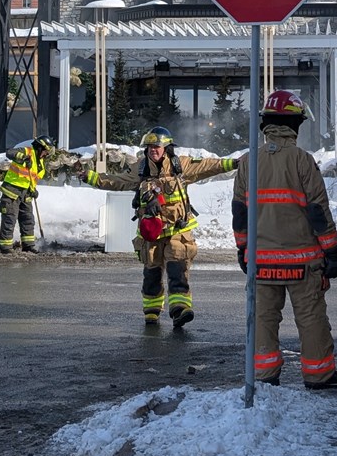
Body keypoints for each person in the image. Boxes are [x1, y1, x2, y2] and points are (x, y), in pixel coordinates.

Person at [233, 90, 337, 389]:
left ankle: (264, 375)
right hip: (302, 262)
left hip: (262, 261)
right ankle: (319, 375)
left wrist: (243, 248)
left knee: (262, 320)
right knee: (311, 320)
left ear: (266, 123)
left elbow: (239, 213)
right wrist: (332, 251)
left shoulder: (247, 162)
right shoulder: (302, 161)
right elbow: (318, 212)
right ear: (294, 124)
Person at [85, 126, 236, 326]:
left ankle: (180, 310)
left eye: (156, 146)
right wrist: (89, 177)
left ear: (166, 147)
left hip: (178, 232)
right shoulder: (139, 169)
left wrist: (234, 162)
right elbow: (116, 181)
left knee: (177, 270)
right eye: (149, 147)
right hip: (151, 233)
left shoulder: (181, 166)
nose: (152, 150)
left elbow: (208, 165)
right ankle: (151, 312)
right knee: (152, 274)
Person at [0, 135, 52, 253]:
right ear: (39, 147)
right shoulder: (27, 151)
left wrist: (34, 190)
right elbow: (9, 152)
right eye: (46, 151)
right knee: (9, 219)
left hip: (26, 194)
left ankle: (28, 245)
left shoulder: (41, 162)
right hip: (12, 192)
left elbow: (32, 178)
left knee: (28, 220)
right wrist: (23, 158)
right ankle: (6, 247)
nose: (46, 154)